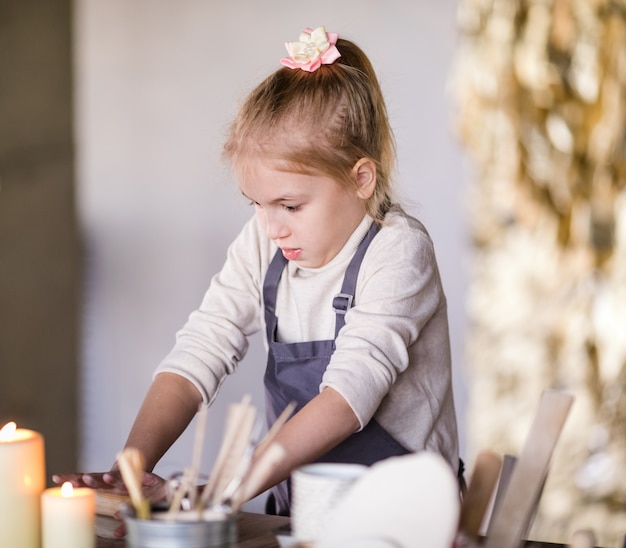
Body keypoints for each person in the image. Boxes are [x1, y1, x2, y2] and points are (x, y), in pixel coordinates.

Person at [55, 25, 460, 525]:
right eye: (257, 205)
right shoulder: (265, 240)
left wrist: (222, 491)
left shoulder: (398, 251)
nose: (270, 226)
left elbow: (344, 399)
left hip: (408, 522)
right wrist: (131, 467)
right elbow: (203, 345)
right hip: (306, 515)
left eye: (289, 205)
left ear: (360, 178)